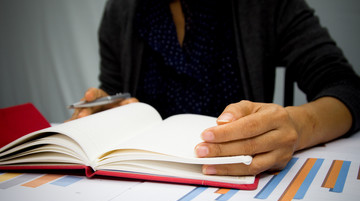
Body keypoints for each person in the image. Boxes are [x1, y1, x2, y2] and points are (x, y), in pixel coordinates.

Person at [69, 0, 360, 177]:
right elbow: (114, 89)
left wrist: (296, 126)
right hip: (140, 184)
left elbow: (346, 88)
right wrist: (103, 113)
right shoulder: (120, 11)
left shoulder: (267, 5)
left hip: (239, 188)